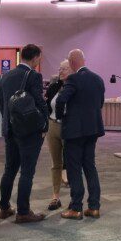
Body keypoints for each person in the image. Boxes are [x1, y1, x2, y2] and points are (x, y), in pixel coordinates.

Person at [0, 44, 49, 224]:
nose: (39, 61)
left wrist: (8, 124)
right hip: (28, 132)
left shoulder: (6, 76)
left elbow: (2, 104)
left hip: (11, 130)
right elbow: (39, 102)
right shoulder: (33, 75)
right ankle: (23, 212)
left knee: (9, 170)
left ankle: (4, 208)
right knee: (27, 171)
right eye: (39, 58)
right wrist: (45, 124)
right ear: (34, 57)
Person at [56, 49, 106, 220]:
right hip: (92, 130)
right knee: (90, 166)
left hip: (74, 132)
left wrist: (62, 116)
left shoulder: (73, 79)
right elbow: (100, 103)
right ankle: (94, 207)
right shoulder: (98, 79)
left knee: (74, 169)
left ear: (71, 63)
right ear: (83, 60)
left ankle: (76, 208)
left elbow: (62, 100)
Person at [43, 59, 71, 208]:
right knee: (56, 164)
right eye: (60, 68)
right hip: (53, 125)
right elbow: (47, 106)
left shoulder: (74, 87)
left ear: (72, 69)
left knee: (72, 162)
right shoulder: (54, 87)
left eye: (64, 69)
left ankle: (75, 199)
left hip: (69, 128)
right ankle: (55, 196)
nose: (60, 71)